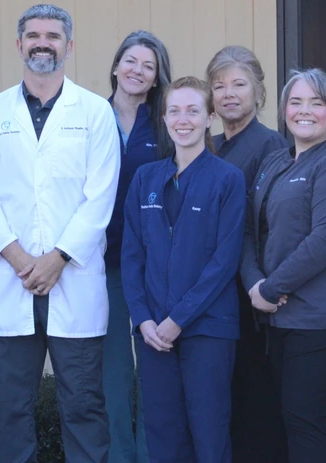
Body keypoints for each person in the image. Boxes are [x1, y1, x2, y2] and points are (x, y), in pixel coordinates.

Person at [0, 3, 119, 463]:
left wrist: (57, 259)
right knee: (11, 408)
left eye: (53, 36)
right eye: (33, 35)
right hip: (12, 280)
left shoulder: (93, 112)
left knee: (84, 406)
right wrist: (18, 258)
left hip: (73, 279)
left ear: (69, 46)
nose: (42, 43)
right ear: (19, 45)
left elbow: (100, 197)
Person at [240, 68, 326, 462]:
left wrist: (271, 288)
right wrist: (255, 285)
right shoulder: (274, 162)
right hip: (289, 320)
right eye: (296, 102)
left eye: (316, 103)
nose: (305, 111)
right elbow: (251, 232)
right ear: (284, 110)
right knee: (318, 424)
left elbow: (325, 242)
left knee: (307, 422)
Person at [122, 76, 245, 462]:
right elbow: (132, 256)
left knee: (208, 433)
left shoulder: (228, 179)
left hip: (207, 328)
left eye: (193, 110)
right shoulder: (146, 179)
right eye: (174, 110)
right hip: (153, 332)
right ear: (164, 118)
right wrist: (143, 320)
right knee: (161, 435)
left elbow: (224, 262)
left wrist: (178, 319)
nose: (183, 119)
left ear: (210, 117)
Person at [205, 45, 289, 463]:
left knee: (255, 405)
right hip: (208, 297)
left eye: (239, 84)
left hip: (249, 297)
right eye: (218, 86)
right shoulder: (208, 145)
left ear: (259, 91)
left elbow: (268, 224)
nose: (228, 94)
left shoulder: (271, 144)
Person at [105, 29, 171, 463]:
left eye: (148, 65)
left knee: (152, 370)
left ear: (155, 78)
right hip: (100, 264)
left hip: (153, 267)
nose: (137, 70)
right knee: (112, 372)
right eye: (131, 61)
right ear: (115, 66)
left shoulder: (165, 123)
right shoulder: (89, 116)